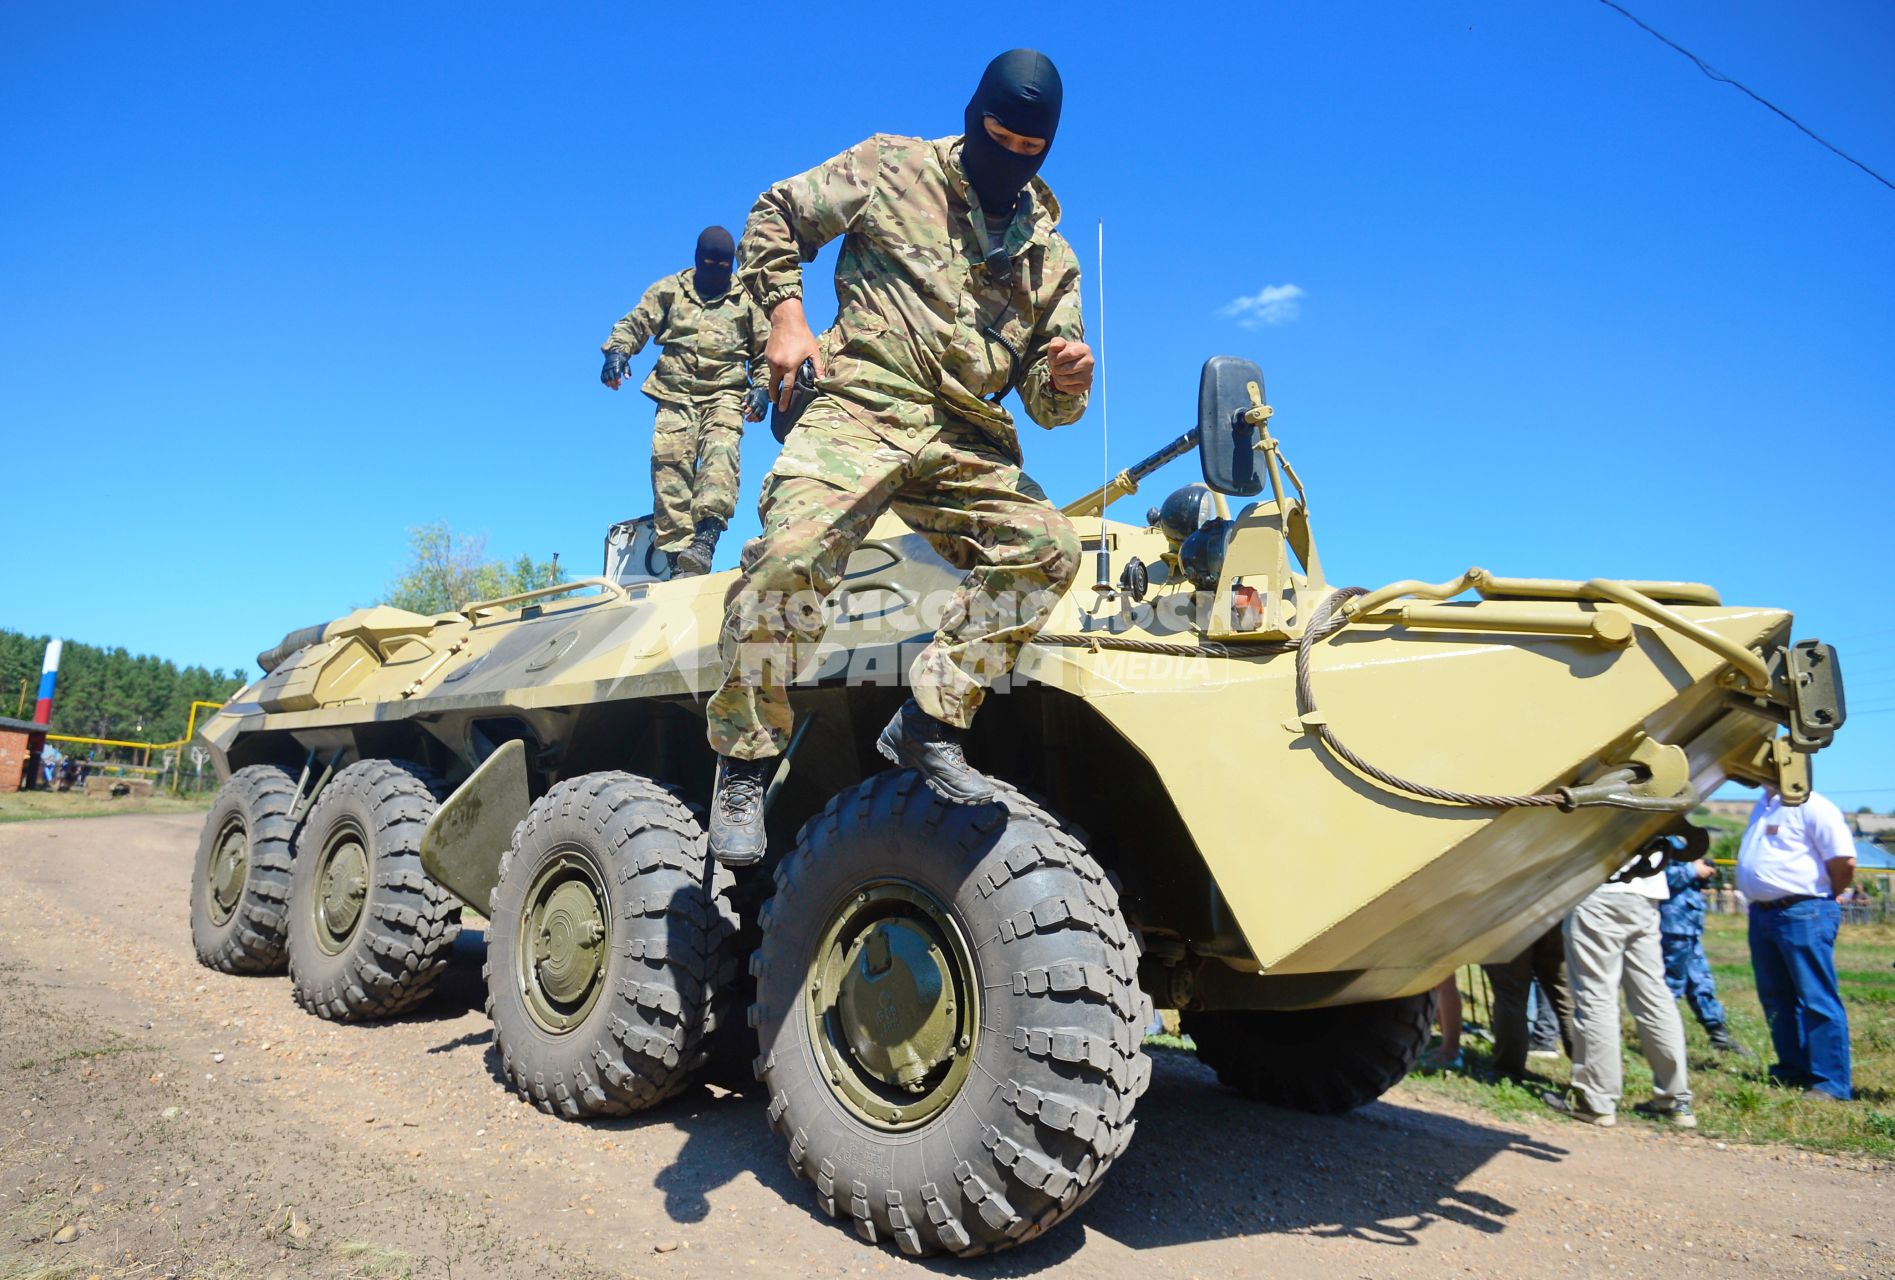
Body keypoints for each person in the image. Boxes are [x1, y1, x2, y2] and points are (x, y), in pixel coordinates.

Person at [702, 49, 1094, 864]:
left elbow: (1053, 411)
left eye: (1032, 150)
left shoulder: (1049, 256)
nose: (1012, 157)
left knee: (1047, 547)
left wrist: (1064, 378)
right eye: (999, 137)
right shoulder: (892, 165)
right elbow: (775, 214)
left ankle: (928, 725)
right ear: (972, 115)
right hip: (861, 403)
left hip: (960, 433)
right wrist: (784, 318)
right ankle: (742, 760)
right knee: (789, 558)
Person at [600, 225, 770, 575]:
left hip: (725, 394)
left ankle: (705, 539)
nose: (715, 273)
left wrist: (762, 389)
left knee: (720, 456)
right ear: (696, 261)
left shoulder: (745, 300)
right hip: (675, 394)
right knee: (669, 468)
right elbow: (636, 322)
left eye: (722, 267)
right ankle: (680, 560)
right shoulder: (669, 291)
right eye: (708, 265)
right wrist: (617, 353)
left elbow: (766, 352)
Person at [1549, 842, 1695, 1127]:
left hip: (1599, 889)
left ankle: (1596, 1100)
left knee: (1596, 997)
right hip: (1645, 893)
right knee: (1654, 996)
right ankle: (1676, 1100)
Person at [1736, 786, 1855, 1101]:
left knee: (1816, 998)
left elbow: (1844, 862)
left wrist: (1824, 895)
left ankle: (1831, 1082)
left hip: (1803, 910)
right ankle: (1794, 1068)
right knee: (1776, 996)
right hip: (1764, 914)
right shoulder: (1764, 805)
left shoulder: (1813, 805)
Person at [1660, 844, 1752, 1056]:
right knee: (1669, 985)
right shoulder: (1661, 836)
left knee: (1701, 981)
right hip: (1672, 925)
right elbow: (1656, 877)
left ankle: (1718, 1034)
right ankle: (1662, 1040)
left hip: (1688, 924)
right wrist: (1693, 871)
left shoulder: (1682, 838)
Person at [1480, 925, 1575, 1081]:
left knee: (1509, 995)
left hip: (1509, 920)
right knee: (1566, 999)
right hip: (1553, 914)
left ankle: (1507, 1072)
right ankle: (1592, 1078)